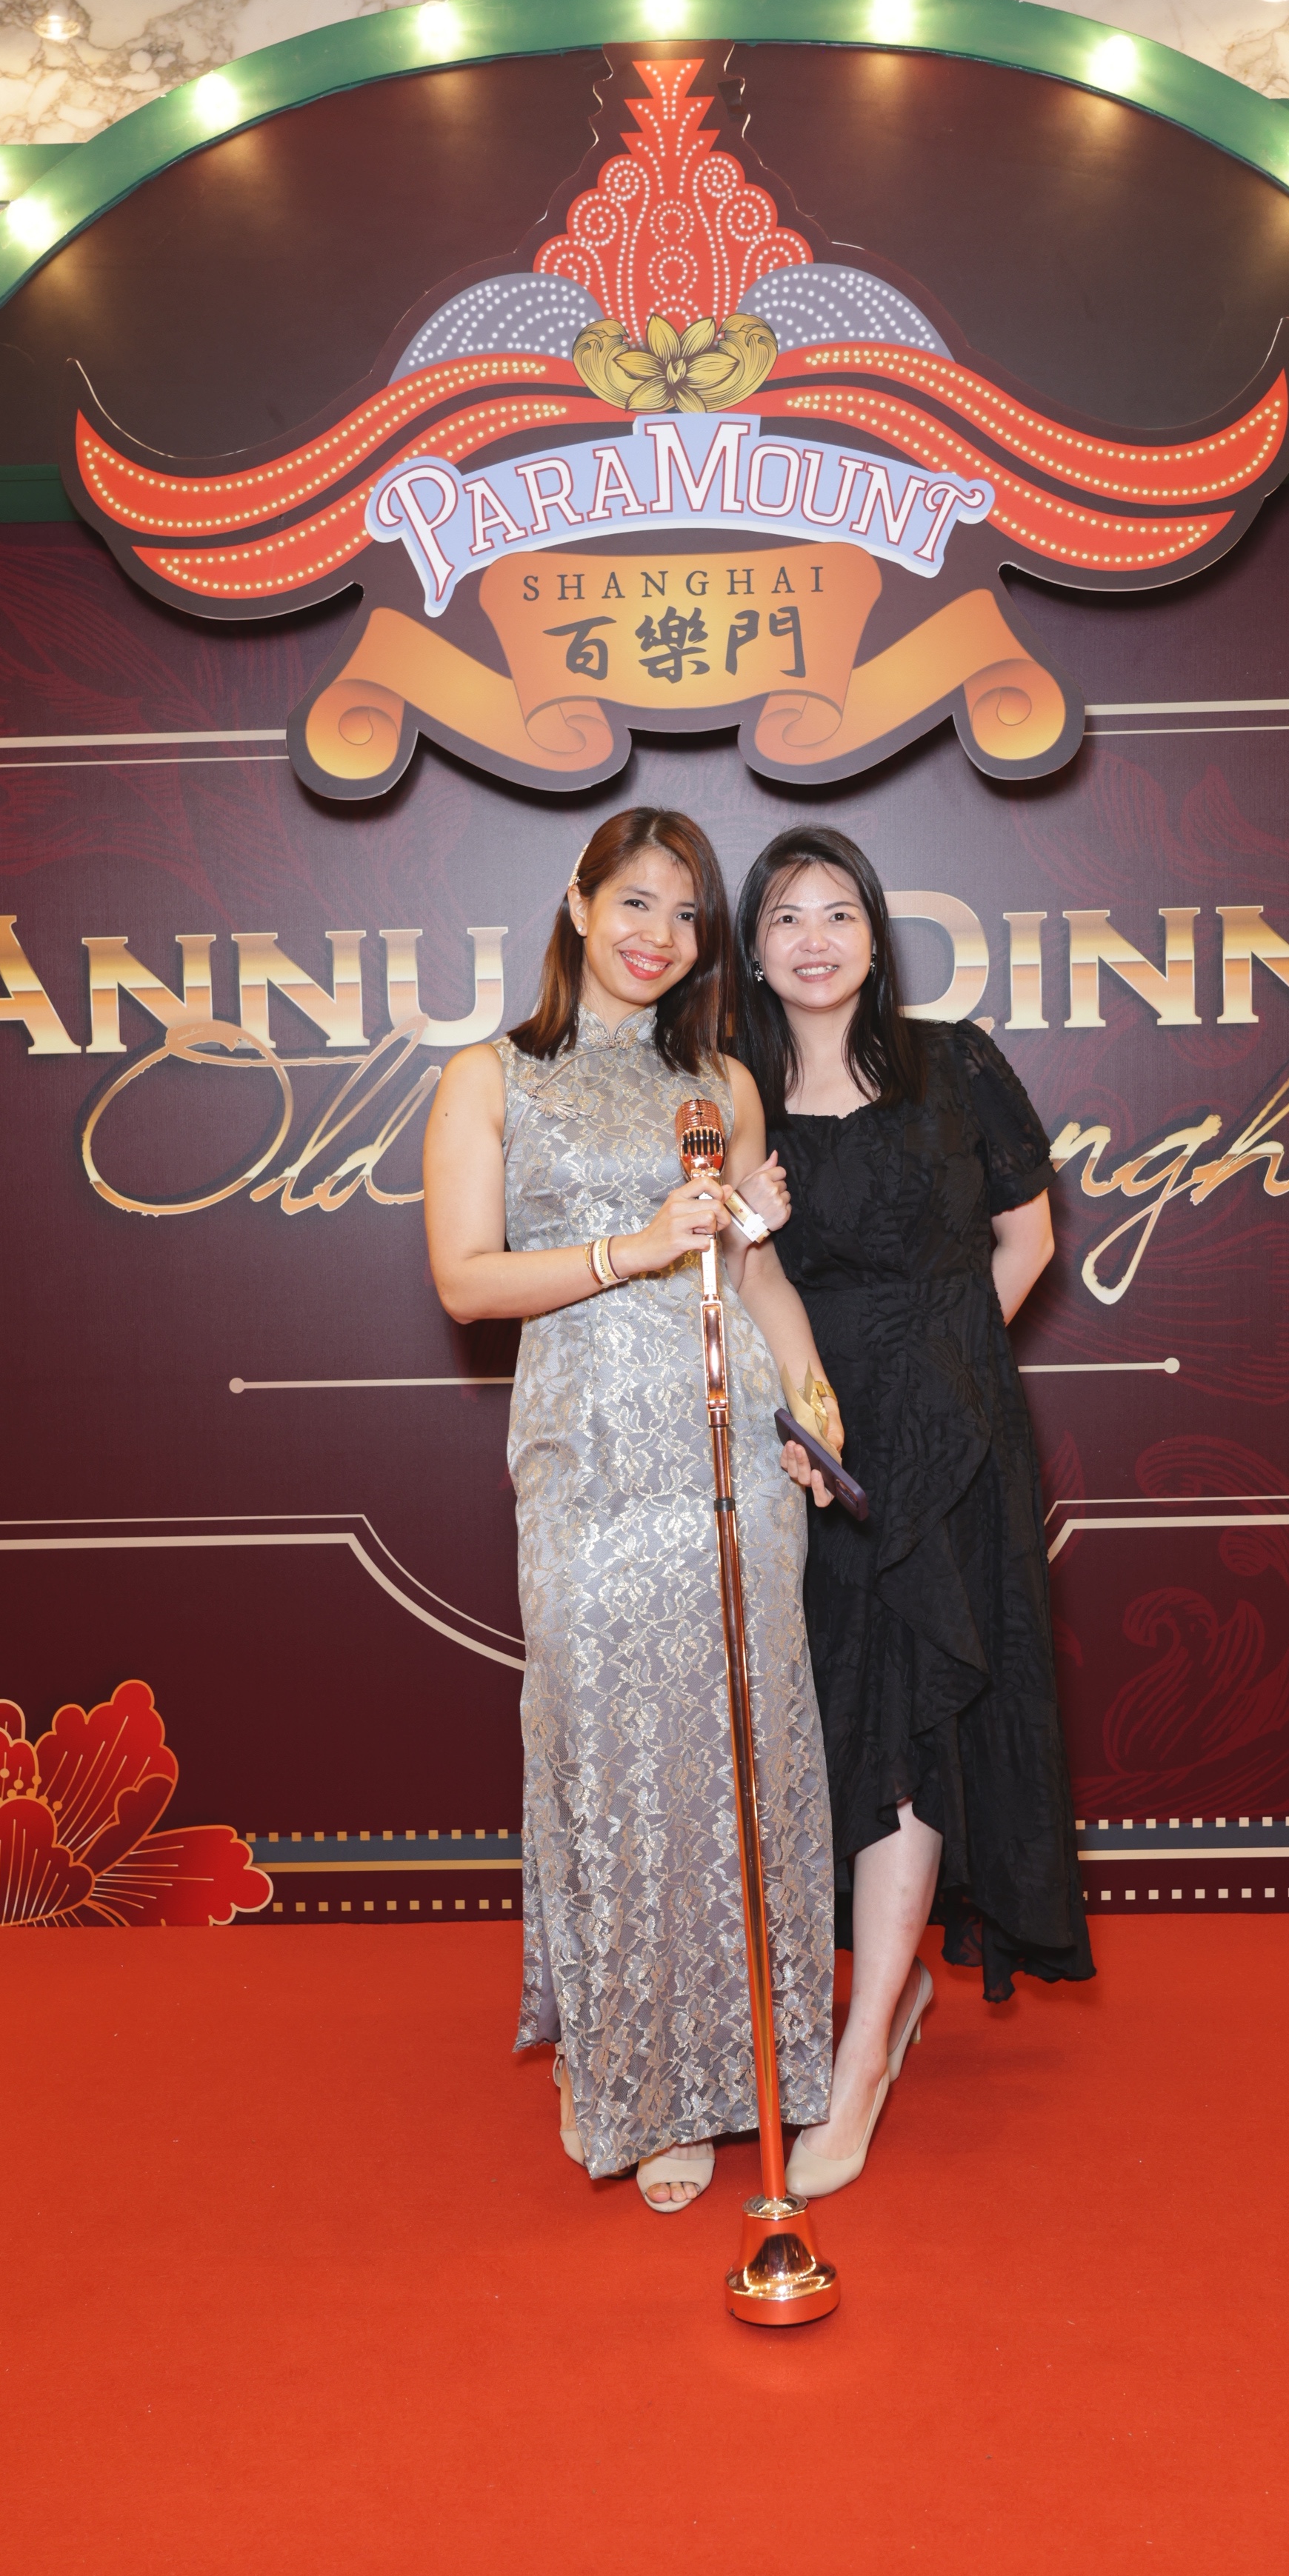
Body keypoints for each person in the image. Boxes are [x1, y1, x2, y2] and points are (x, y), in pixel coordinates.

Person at [423, 806, 842, 2212]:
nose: (657, 934)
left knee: (740, 1757)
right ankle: (633, 2074)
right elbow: (466, 1280)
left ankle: (742, 2069)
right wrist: (635, 1246)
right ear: (579, 900)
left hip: (732, 1465)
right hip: (591, 1462)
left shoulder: (721, 1082)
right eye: (636, 902)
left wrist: (813, 1403)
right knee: (613, 1756)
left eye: (684, 912)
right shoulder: (493, 1077)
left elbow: (758, 1274)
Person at [734, 823, 1095, 2198]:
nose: (814, 939)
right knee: (834, 1727)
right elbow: (732, 1278)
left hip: (949, 1443)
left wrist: (950, 1379)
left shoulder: (956, 1063)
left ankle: (864, 2048)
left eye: (839, 912)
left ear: (877, 934)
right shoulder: (736, 1095)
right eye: (786, 917)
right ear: (754, 949)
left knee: (915, 1724)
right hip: (812, 1446)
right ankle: (884, 1995)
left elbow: (1028, 1235)